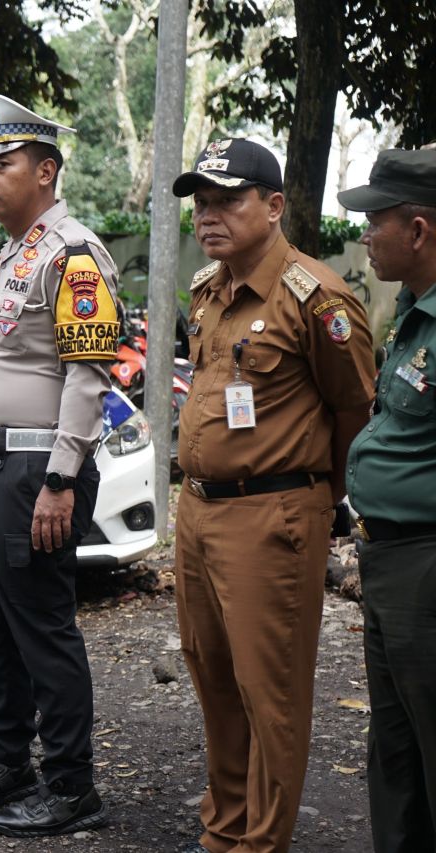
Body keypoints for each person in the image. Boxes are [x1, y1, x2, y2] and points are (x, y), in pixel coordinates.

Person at [171, 138, 375, 853]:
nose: (210, 215)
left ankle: (261, 843)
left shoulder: (316, 296)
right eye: (202, 203)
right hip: (197, 510)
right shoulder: (208, 290)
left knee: (269, 694)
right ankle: (222, 831)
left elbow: (355, 411)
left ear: (275, 205)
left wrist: (323, 501)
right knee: (213, 678)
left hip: (273, 514)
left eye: (228, 200)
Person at [0, 93, 119, 839]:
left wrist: (60, 478)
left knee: (42, 626)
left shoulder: (73, 252)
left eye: (2, 163)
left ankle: (72, 783)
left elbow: (90, 373)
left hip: (37, 469)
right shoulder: (18, 250)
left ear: (45, 171)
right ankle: (8, 757)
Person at [340, 148, 436, 853]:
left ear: (421, 229)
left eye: (376, 220)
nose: (365, 234)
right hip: (388, 561)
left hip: (425, 567)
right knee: (395, 751)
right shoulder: (409, 312)